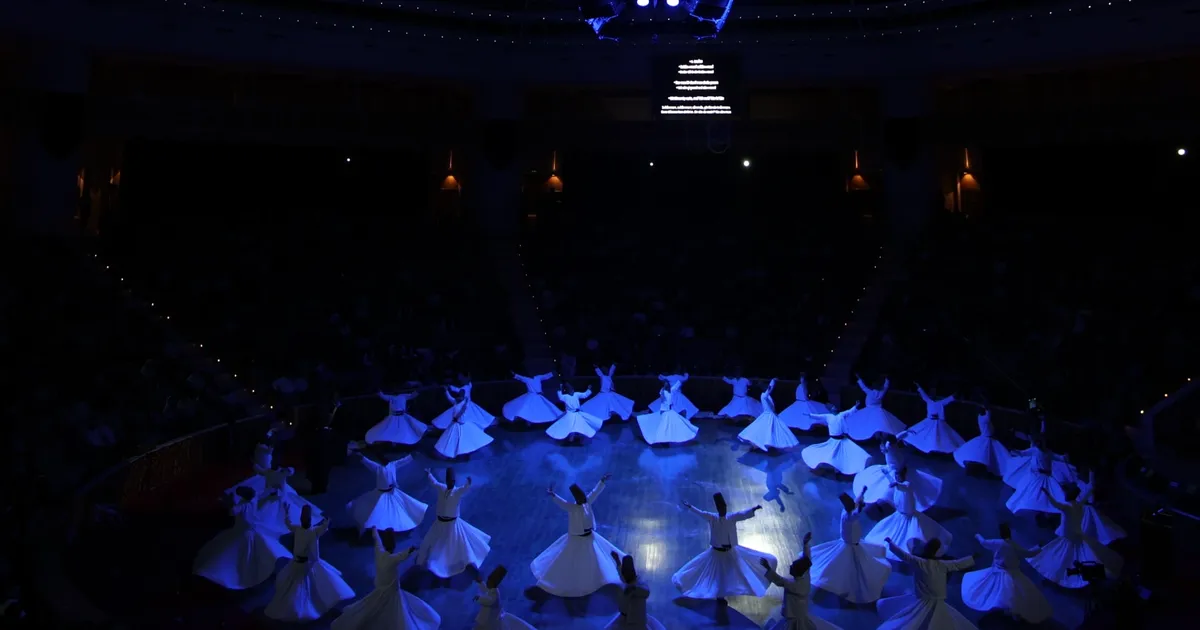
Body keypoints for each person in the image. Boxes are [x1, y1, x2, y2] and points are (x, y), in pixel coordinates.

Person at [531, 474, 625, 597]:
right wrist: (553, 495)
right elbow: (562, 503)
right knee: (573, 561)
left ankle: (596, 579)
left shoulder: (586, 502)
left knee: (594, 559)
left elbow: (595, 492)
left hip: (589, 537)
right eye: (581, 498)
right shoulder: (573, 507)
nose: (584, 499)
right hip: (577, 539)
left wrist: (602, 481)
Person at [672, 493, 778, 602]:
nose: (724, 510)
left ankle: (733, 589)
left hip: (730, 552)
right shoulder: (713, 518)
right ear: (718, 509)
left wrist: (753, 509)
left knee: (737, 571)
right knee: (717, 575)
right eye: (721, 508)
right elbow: (701, 513)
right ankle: (718, 594)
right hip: (717, 553)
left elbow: (742, 514)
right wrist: (690, 507)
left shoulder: (731, 517)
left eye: (724, 507)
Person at [330, 528, 439, 630]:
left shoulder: (379, 552)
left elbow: (377, 541)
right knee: (393, 605)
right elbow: (403, 555)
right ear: (393, 545)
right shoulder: (393, 558)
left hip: (380, 584)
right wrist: (412, 549)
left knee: (375, 602)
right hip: (390, 586)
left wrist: (374, 531)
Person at [264, 504, 355, 622]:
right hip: (302, 563)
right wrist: (326, 521)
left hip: (302, 563)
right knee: (302, 584)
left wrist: (286, 513)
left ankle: (302, 604)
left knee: (298, 584)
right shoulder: (311, 531)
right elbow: (322, 527)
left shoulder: (302, 530)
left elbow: (289, 524)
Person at [193, 486, 292, 590]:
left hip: (243, 531)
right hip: (250, 529)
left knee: (239, 552)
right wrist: (273, 491)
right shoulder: (253, 499)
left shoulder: (242, 505)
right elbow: (262, 494)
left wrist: (229, 502)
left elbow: (232, 512)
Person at [1028, 484, 1123, 588]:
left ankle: (1060, 573)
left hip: (1070, 536)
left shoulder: (1067, 507)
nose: (1064, 495)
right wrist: (1090, 490)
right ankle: (1095, 572)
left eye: (1065, 494)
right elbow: (1085, 497)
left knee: (1062, 553)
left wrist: (1047, 493)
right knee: (1078, 554)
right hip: (1076, 534)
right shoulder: (1078, 505)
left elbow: (1055, 504)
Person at [809, 489, 891, 604]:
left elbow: (857, 502)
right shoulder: (848, 516)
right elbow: (856, 512)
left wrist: (862, 492)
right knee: (848, 567)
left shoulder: (848, 510)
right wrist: (860, 505)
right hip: (850, 545)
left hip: (854, 543)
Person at [876, 538, 977, 630]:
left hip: (929, 599)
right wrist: (972, 558)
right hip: (931, 600)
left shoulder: (921, 562)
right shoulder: (941, 564)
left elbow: (904, 555)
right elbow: (957, 564)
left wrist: (891, 543)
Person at [960, 524, 1051, 623]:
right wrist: (1038, 547)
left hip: (998, 571)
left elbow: (984, 542)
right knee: (1015, 593)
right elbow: (1028, 553)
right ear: (1009, 533)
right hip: (1012, 573)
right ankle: (1013, 611)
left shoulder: (998, 543)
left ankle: (1002, 606)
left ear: (1001, 533)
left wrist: (977, 535)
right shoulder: (1014, 546)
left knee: (996, 589)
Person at [864, 468, 953, 561]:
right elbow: (893, 482)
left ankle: (920, 549)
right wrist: (887, 474)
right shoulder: (897, 484)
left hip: (908, 515)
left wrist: (897, 484)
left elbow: (904, 487)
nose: (896, 478)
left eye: (898, 476)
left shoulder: (906, 485)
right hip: (900, 514)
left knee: (917, 532)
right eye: (896, 476)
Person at [417, 467, 491, 578]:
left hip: (452, 525)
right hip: (439, 523)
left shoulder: (457, 491)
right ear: (446, 481)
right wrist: (429, 474)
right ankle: (433, 562)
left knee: (456, 545)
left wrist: (468, 483)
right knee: (436, 543)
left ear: (454, 481)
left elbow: (464, 488)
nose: (450, 483)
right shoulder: (442, 488)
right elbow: (434, 483)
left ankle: (462, 564)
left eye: (452, 481)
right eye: (449, 481)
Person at [760, 533, 844, 630]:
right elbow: (807, 560)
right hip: (801, 613)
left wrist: (768, 568)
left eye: (793, 566)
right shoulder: (805, 578)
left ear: (797, 571)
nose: (790, 566)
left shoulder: (793, 585)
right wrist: (806, 544)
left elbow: (779, 580)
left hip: (793, 617)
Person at [853, 437, 942, 511]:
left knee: (910, 488)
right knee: (890, 490)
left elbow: (897, 445)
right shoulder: (890, 450)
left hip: (899, 470)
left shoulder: (891, 447)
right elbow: (895, 463)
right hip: (896, 471)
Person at [346, 451, 428, 533]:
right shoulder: (378, 467)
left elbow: (403, 461)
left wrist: (411, 456)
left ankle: (398, 524)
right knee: (376, 511)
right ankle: (375, 526)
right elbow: (368, 462)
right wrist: (361, 457)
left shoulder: (392, 465)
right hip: (380, 494)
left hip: (391, 492)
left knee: (397, 509)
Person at [250, 463, 324, 538]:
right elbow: (291, 471)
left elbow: (260, 470)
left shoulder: (272, 472)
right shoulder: (279, 472)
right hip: (276, 495)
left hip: (276, 495)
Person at [1003, 435, 1071, 515]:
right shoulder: (1035, 450)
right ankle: (1030, 507)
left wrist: (1064, 457)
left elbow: (1059, 458)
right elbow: (1023, 453)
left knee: (1049, 493)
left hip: (1046, 477)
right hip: (1037, 477)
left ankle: (1044, 510)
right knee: (1032, 491)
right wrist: (1014, 450)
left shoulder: (1049, 453)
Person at [801, 402, 872, 475]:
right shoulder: (828, 416)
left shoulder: (841, 415)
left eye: (835, 407)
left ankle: (846, 467)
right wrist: (810, 415)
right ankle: (835, 468)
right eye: (833, 407)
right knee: (832, 455)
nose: (835, 408)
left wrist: (855, 407)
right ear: (830, 410)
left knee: (852, 451)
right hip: (834, 441)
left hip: (842, 440)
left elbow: (849, 412)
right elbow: (818, 416)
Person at [606, 552, 666, 630]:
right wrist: (617, 561)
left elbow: (646, 592)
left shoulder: (639, 583)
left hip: (637, 622)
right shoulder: (627, 580)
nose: (624, 576)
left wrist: (633, 589)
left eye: (626, 573)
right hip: (625, 619)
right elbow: (622, 575)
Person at [898, 383, 963, 454]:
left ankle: (937, 449)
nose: (933, 395)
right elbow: (923, 394)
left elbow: (950, 398)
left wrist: (957, 393)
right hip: (929, 421)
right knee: (920, 433)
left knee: (938, 436)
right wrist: (918, 386)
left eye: (934, 393)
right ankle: (919, 446)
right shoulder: (929, 401)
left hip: (938, 422)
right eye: (932, 393)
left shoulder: (941, 403)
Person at [738, 378, 800, 452]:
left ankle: (770, 444)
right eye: (765, 386)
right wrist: (773, 381)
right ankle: (761, 444)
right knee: (765, 431)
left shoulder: (767, 396)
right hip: (767, 416)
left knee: (773, 431)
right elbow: (769, 390)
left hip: (772, 415)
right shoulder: (764, 395)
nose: (767, 388)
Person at [434, 388, 495, 459]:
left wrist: (456, 418)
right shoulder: (456, 401)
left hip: (461, 423)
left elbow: (462, 411)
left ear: (463, 396)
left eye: (461, 396)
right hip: (455, 423)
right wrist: (446, 391)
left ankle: (464, 453)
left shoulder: (465, 403)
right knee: (451, 439)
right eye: (459, 395)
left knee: (465, 440)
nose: (459, 397)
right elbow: (450, 398)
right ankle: (453, 452)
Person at [635, 380, 700, 445]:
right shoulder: (665, 392)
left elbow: (673, 389)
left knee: (667, 426)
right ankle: (664, 439)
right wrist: (679, 381)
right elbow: (674, 388)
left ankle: (664, 439)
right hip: (666, 412)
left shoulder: (665, 392)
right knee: (666, 426)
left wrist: (679, 382)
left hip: (667, 412)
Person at [846, 374, 907, 440]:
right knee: (879, 425)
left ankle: (874, 437)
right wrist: (887, 379)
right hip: (878, 411)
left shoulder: (870, 392)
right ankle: (879, 437)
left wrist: (859, 378)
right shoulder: (881, 393)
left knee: (868, 424)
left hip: (870, 410)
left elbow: (863, 387)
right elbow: (885, 387)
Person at [473, 566, 536, 630]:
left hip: (488, 620)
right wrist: (480, 582)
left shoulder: (495, 593)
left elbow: (490, 601)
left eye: (489, 581)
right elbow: (486, 591)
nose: (487, 583)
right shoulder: (491, 591)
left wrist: (479, 598)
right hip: (485, 619)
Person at [953, 407, 1011, 476]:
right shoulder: (984, 418)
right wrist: (987, 408)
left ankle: (982, 468)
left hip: (986, 437)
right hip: (987, 438)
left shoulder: (980, 417)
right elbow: (988, 415)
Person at [308, 398, 348, 494]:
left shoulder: (316, 433)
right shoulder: (330, 433)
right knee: (323, 473)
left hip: (318, 457)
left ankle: (317, 488)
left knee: (318, 473)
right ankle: (321, 488)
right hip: (325, 458)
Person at [1076, 469, 1127, 545]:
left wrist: (1091, 473)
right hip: (1088, 507)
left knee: (1100, 524)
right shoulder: (1080, 485)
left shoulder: (1084, 486)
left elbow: (1090, 488)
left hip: (1089, 506)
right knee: (1098, 524)